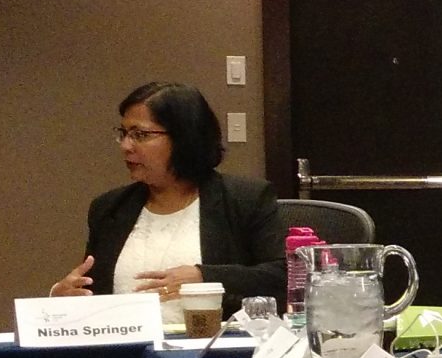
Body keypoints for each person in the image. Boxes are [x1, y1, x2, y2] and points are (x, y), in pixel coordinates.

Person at [51, 81, 283, 324]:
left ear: (185, 138)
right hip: (128, 353)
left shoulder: (245, 199)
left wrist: (206, 277)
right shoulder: (110, 208)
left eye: (140, 135)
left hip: (209, 350)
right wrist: (65, 297)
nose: (126, 146)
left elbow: (281, 276)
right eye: (124, 134)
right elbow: (95, 294)